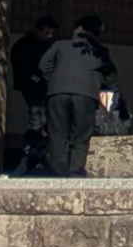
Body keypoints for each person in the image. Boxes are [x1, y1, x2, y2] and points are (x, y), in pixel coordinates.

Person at [37, 15, 114, 177]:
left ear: (79, 28)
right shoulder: (100, 51)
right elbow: (111, 77)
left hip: (57, 92)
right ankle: (75, 171)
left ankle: (59, 171)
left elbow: (44, 66)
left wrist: (56, 79)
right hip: (86, 94)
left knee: (57, 134)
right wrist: (94, 81)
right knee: (81, 135)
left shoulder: (60, 45)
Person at [9, 15, 57, 174]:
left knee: (45, 122)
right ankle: (31, 153)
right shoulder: (25, 45)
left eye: (52, 33)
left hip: (44, 88)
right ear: (38, 30)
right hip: (32, 88)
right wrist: (39, 80)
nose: (49, 36)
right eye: (47, 32)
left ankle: (38, 153)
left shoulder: (48, 45)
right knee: (37, 121)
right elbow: (24, 69)